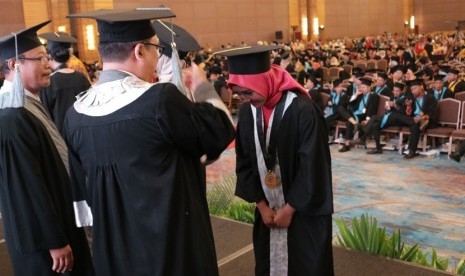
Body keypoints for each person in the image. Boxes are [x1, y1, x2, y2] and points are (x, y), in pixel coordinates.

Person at [64, 8, 235, 275]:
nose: (158, 58)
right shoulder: (158, 101)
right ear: (139, 51)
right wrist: (202, 87)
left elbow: (85, 196)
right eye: (156, 49)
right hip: (168, 249)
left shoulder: (75, 114)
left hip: (115, 250)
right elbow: (219, 131)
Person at [226, 45, 334, 275]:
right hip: (268, 211)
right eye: (238, 95)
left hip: (303, 211)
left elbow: (313, 166)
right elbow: (244, 161)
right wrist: (262, 206)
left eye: (248, 93)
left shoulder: (302, 110)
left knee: (306, 265)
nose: (244, 100)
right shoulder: (248, 112)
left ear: (262, 82)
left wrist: (290, 209)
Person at [0, 21, 93, 275]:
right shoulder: (11, 115)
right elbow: (26, 187)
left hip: (58, 223)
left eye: (47, 58)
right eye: (40, 58)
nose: (48, 65)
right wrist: (54, 240)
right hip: (45, 244)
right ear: (13, 64)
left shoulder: (26, 104)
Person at [39, 32, 91, 135]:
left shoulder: (49, 82)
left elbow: (45, 116)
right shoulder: (81, 78)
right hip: (85, 133)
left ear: (49, 56)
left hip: (61, 137)